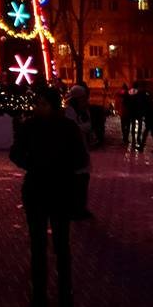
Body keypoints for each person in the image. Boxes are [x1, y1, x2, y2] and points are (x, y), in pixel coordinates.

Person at [10, 87, 88, 307]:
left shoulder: (42, 127)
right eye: (37, 103)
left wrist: (36, 165)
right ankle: (50, 306)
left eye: (42, 103)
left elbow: (17, 155)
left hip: (45, 191)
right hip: (51, 191)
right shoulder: (53, 127)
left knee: (53, 249)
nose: (37, 107)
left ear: (53, 105)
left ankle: (54, 306)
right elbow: (79, 159)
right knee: (45, 249)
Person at [64, 85, 94, 219]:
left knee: (84, 179)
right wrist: (84, 127)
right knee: (76, 180)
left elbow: (87, 125)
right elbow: (72, 128)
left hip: (82, 147)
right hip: (74, 149)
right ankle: (75, 208)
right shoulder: (70, 111)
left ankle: (81, 207)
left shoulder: (83, 110)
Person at [115, 84, 132, 148]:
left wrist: (117, 109)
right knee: (127, 125)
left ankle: (124, 137)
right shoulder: (128, 95)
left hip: (123, 112)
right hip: (128, 113)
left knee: (123, 124)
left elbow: (117, 103)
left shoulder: (120, 95)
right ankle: (126, 137)